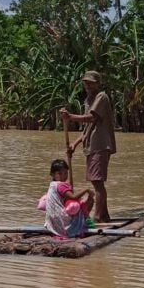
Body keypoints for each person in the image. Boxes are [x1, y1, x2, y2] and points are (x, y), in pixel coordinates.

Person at [60, 70, 116, 223]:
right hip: (92, 145)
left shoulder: (101, 97)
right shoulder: (89, 100)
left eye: (91, 83)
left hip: (100, 144)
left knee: (97, 182)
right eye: (86, 83)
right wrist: (75, 143)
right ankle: (104, 215)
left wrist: (70, 117)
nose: (88, 86)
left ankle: (98, 217)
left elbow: (92, 118)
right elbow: (88, 128)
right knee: (96, 181)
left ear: (98, 83)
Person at [41, 159, 94, 239]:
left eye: (66, 173)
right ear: (52, 174)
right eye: (60, 173)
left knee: (76, 204)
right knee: (89, 201)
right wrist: (86, 190)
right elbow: (73, 197)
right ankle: (82, 224)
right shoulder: (61, 185)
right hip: (62, 221)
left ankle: (82, 221)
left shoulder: (52, 185)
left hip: (52, 220)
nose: (63, 176)